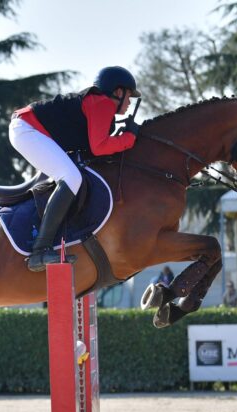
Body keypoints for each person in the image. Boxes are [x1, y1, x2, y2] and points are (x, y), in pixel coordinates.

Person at [10, 66, 142, 271]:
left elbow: (94, 147)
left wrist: (121, 137)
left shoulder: (99, 103)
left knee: (73, 175)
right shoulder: (103, 103)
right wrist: (129, 138)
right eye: (129, 96)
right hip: (28, 129)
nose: (129, 103)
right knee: (71, 177)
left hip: (28, 128)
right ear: (118, 92)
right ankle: (40, 250)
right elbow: (100, 147)